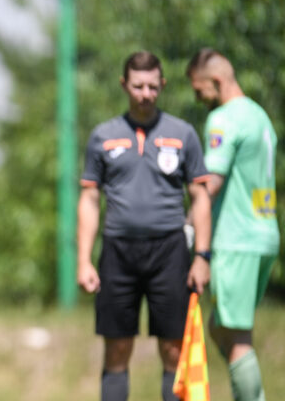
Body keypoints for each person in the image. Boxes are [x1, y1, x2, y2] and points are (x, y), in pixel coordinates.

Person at [76, 51, 212, 401]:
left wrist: (202, 256)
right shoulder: (102, 136)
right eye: (138, 86)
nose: (146, 93)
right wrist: (83, 260)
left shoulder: (182, 133)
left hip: (169, 252)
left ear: (162, 85)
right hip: (118, 253)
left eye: (153, 86)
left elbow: (200, 197)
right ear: (124, 85)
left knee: (172, 350)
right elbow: (90, 200)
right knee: (117, 350)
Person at [186, 48, 279, 401]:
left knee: (237, 337)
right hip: (264, 234)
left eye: (200, 90)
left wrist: (189, 228)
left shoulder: (224, 118)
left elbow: (209, 183)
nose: (199, 98)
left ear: (217, 81)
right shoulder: (258, 115)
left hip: (235, 238)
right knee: (221, 328)